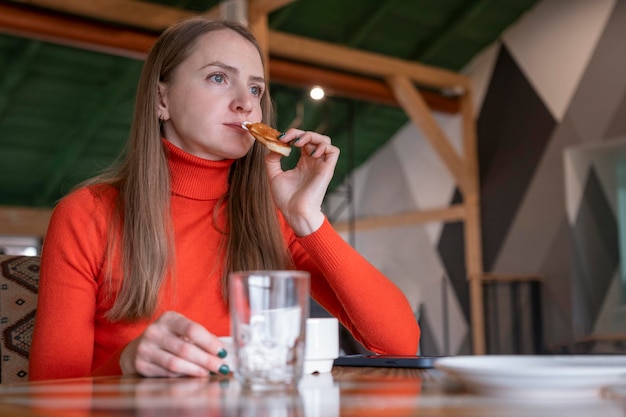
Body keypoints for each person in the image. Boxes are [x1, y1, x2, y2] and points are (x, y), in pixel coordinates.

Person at [29, 17, 420, 381]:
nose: (246, 103)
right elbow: (47, 395)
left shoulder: (274, 218)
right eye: (218, 77)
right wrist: (127, 364)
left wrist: (307, 218)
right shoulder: (86, 215)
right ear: (161, 99)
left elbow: (400, 345)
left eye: (255, 88)